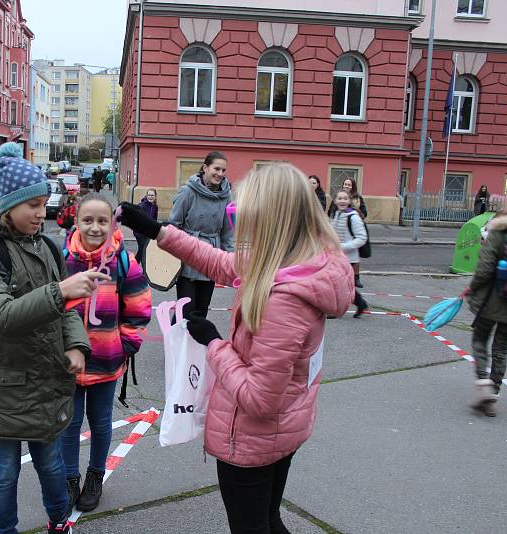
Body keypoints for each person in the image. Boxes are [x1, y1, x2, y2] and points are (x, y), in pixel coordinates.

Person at [117, 162, 354, 534]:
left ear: (270, 220)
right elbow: (220, 262)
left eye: (242, 214)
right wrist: (159, 231)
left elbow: (259, 399)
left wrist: (213, 342)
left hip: (253, 441)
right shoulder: (295, 263)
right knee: (268, 521)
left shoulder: (285, 297)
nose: (237, 223)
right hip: (283, 429)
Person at [0, 156, 109, 534]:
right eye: (33, 205)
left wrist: (77, 346)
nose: (42, 213)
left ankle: (60, 522)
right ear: (8, 205)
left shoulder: (45, 246)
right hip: (2, 384)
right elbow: (0, 315)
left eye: (44, 204)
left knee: (52, 465)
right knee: (4, 474)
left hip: (46, 379)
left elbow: (63, 313)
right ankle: (4, 530)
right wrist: (60, 291)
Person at [60, 193, 151, 514]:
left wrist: (123, 347)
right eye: (88, 220)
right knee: (68, 425)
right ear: (76, 222)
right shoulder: (62, 260)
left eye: (102, 220)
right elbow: (49, 305)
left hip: (105, 360)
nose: (95, 227)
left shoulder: (123, 262)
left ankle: (95, 476)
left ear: (112, 222)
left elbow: (139, 309)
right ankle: (70, 478)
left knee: (100, 424)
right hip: (67, 363)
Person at [466, 191, 507, 417]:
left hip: (491, 300)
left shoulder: (499, 230)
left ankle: (483, 385)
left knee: (480, 339)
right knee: (501, 348)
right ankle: (494, 391)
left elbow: (484, 270)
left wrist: (471, 288)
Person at [169, 151, 233, 318]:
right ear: (205, 167)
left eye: (223, 170)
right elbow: (174, 226)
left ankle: (194, 344)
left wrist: (231, 261)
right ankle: (175, 341)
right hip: (188, 258)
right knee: (185, 310)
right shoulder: (187, 192)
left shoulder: (226, 196)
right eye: (216, 169)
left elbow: (227, 231)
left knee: (201, 312)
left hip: (211, 258)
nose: (220, 174)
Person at [329, 190, 369, 317]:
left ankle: (338, 309)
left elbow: (362, 238)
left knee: (340, 285)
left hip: (349, 258)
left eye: (345, 198)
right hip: (336, 256)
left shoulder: (353, 216)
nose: (342, 201)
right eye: (339, 198)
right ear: (335, 201)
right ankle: (361, 303)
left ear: (349, 201)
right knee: (342, 284)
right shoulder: (336, 214)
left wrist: (343, 247)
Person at [133, 188, 158, 266]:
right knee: (143, 249)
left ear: (155, 196)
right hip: (139, 232)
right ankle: (135, 267)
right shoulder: (142, 206)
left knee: (143, 250)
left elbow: (154, 220)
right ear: (146, 196)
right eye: (149, 195)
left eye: (152, 195)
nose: (150, 197)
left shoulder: (155, 207)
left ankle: (133, 267)